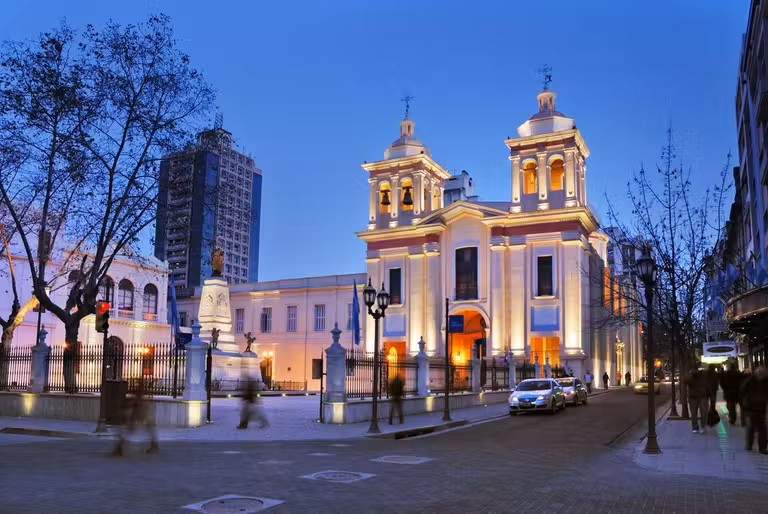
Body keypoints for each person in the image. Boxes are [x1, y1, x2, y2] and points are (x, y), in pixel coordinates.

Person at [113, 378, 158, 456]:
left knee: (128, 431)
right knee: (131, 430)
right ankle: (119, 447)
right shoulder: (140, 395)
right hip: (138, 415)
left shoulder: (139, 395)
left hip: (138, 415)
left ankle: (119, 447)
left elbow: (136, 403)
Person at [741, 366, 768, 454]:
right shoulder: (749, 382)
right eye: (761, 374)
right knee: (750, 427)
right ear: (756, 373)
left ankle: (762, 447)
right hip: (750, 408)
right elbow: (742, 393)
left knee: (763, 429)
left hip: (761, 408)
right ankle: (749, 444)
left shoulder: (765, 382)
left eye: (763, 374)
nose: (762, 376)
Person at [687, 364, 708, 434]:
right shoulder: (690, 376)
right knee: (694, 413)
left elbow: (707, 383)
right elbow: (686, 381)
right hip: (694, 396)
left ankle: (701, 426)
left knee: (703, 412)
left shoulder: (703, 375)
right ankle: (696, 427)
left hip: (702, 395)